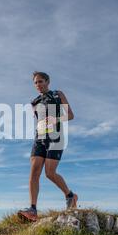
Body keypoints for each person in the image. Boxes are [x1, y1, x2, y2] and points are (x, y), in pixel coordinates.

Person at [17, 71, 78, 222]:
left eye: (41, 81)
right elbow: (39, 120)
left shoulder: (58, 94)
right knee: (34, 170)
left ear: (47, 81)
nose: (38, 85)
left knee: (50, 173)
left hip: (56, 137)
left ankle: (70, 195)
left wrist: (55, 119)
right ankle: (32, 209)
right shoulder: (34, 102)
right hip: (40, 138)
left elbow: (70, 115)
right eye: (36, 82)